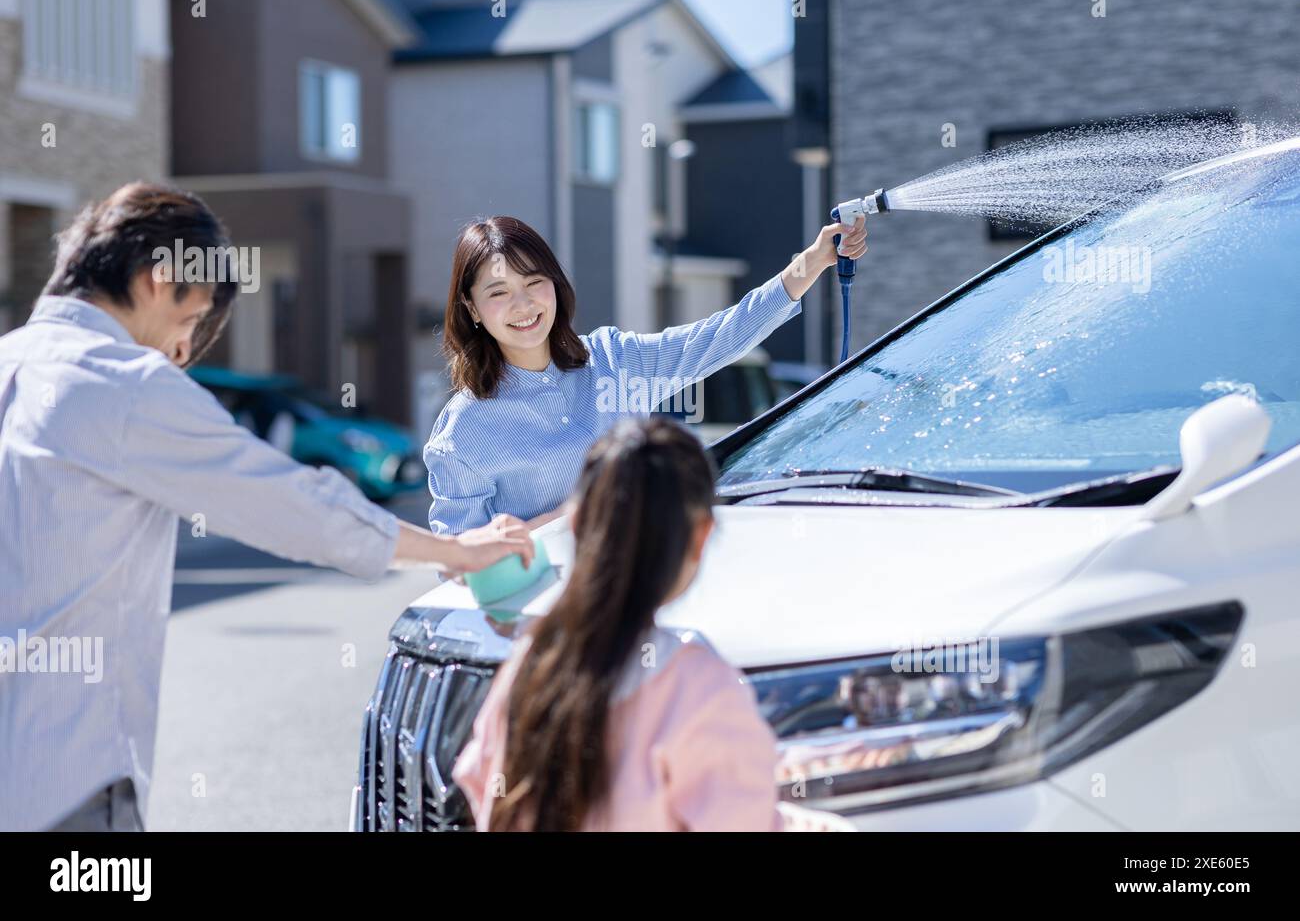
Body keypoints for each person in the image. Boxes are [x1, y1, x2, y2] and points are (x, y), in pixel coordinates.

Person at [0, 183, 533, 832]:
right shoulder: (123, 384)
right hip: (61, 778)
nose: (178, 352)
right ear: (158, 278)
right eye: (192, 322)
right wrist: (454, 551)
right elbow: (290, 505)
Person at [424, 213, 867, 535]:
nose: (523, 306)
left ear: (555, 285)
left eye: (534, 282)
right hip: (546, 625)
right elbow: (461, 565)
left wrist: (813, 261)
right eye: (499, 292)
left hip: (643, 601)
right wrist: (570, 516)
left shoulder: (614, 362)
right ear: (472, 309)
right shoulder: (465, 430)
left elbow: (718, 337)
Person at [452, 417, 784, 831]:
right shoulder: (702, 688)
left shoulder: (530, 662)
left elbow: (480, 781)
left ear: (575, 527)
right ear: (701, 536)